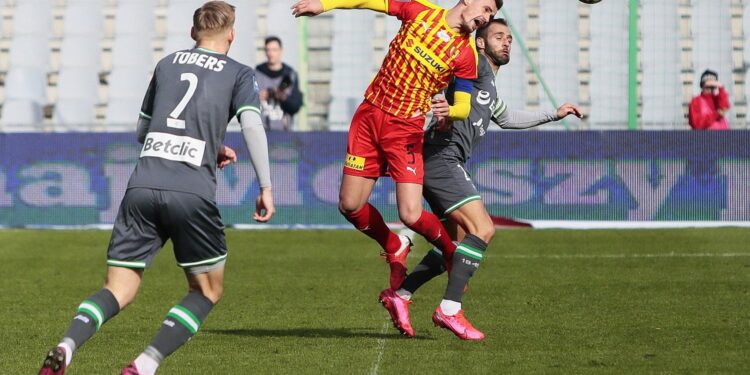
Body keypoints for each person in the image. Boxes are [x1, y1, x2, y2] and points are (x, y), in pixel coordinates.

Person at [38, 2, 275, 374]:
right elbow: (252, 127)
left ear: (192, 33)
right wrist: (265, 185)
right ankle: (145, 364)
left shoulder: (167, 64)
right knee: (207, 291)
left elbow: (142, 131)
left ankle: (67, 344)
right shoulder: (240, 73)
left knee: (118, 288)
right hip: (191, 192)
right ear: (231, 34)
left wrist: (209, 146)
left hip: (142, 188)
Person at [291, 0, 501, 326]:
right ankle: (394, 245)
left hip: (406, 129)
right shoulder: (420, 11)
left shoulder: (466, 55)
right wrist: (325, 4)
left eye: (491, 14)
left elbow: (463, 104)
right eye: (486, 8)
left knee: (411, 213)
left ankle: (449, 252)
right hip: (369, 116)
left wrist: (450, 111)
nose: (486, 17)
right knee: (349, 205)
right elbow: (368, 1)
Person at [379, 18, 583, 340]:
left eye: (509, 38)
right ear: (481, 43)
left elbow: (506, 117)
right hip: (441, 158)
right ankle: (449, 309)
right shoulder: (473, 67)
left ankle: (400, 295)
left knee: (455, 242)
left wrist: (552, 115)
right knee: (483, 229)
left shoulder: (487, 86)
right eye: (498, 36)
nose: (507, 42)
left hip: (444, 160)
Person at [255, 36, 304, 131]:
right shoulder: (257, 73)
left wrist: (281, 96)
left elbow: (295, 106)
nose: (270, 53)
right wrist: (259, 96)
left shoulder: (290, 75)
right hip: (262, 131)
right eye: (268, 50)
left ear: (281, 51)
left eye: (274, 50)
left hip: (284, 133)